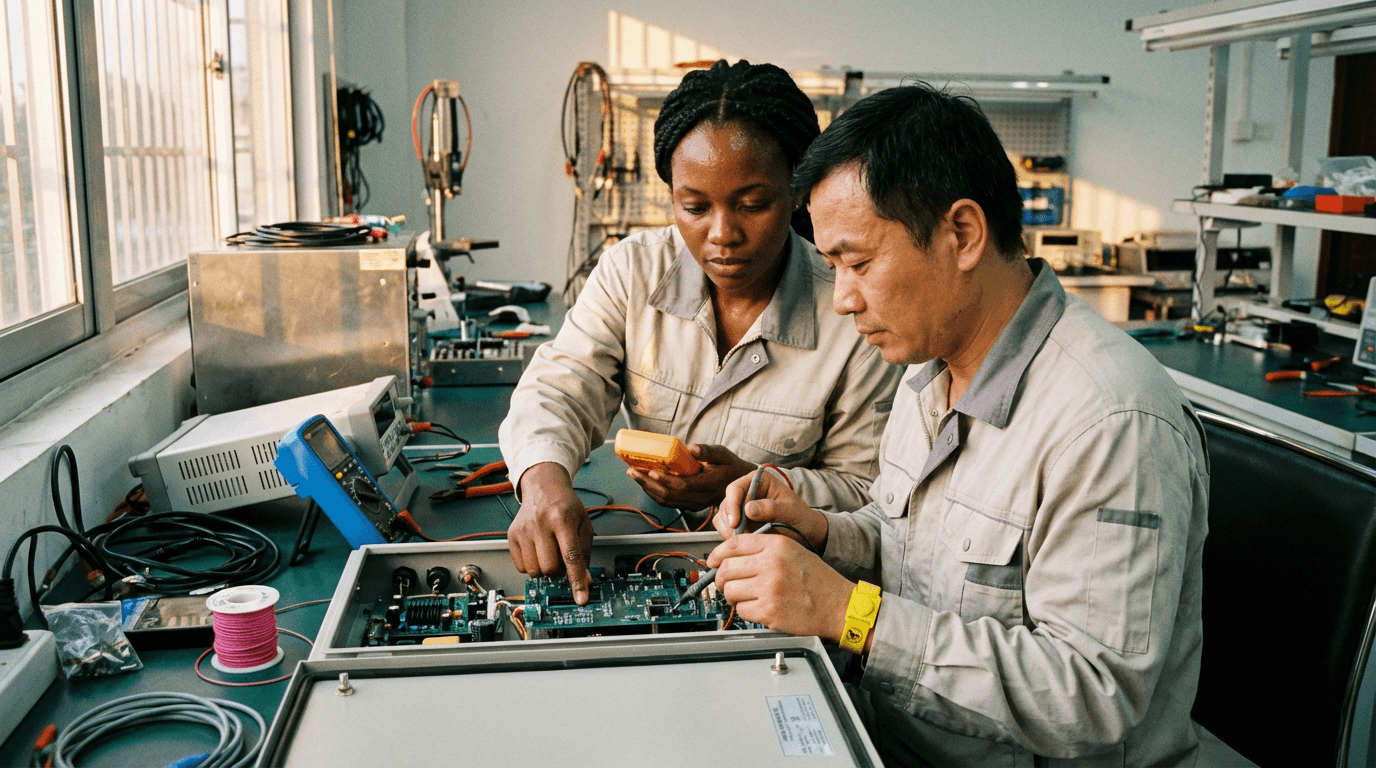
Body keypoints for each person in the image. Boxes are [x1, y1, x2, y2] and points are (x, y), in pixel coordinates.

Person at [708, 82, 1209, 765]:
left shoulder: (1109, 421)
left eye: (857, 262)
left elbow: (1094, 697)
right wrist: (822, 533)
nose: (844, 300)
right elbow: (917, 553)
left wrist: (847, 613)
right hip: (893, 740)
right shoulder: (928, 372)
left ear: (963, 233)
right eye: (831, 267)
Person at [499, 60, 902, 605]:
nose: (722, 234)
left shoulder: (851, 309)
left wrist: (756, 485)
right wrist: (543, 482)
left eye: (753, 204)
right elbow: (561, 385)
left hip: (779, 582)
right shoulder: (632, 271)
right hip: (653, 560)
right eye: (694, 206)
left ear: (797, 192)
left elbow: (864, 493)